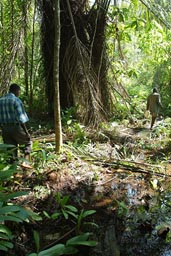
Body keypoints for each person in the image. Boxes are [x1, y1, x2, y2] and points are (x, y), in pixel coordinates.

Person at [0, 83, 32, 168]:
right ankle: (25, 162)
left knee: (11, 149)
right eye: (19, 91)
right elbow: (21, 118)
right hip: (15, 127)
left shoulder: (1, 100)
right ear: (16, 90)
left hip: (4, 128)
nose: (19, 93)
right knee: (28, 142)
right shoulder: (16, 100)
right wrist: (26, 132)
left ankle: (13, 171)